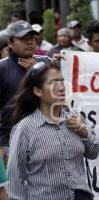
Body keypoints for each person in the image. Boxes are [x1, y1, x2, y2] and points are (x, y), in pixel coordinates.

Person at [6, 62, 99, 199]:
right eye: (53, 83)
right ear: (37, 91)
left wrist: (84, 132)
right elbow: (14, 181)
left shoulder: (76, 118)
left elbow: (94, 153)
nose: (61, 87)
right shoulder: (25, 129)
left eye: (62, 81)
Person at [0, 20, 51, 154]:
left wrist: (37, 70)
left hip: (45, 140)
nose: (30, 42)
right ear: (10, 43)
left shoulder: (47, 62)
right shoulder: (2, 68)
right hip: (11, 144)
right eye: (23, 39)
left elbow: (57, 95)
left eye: (32, 38)